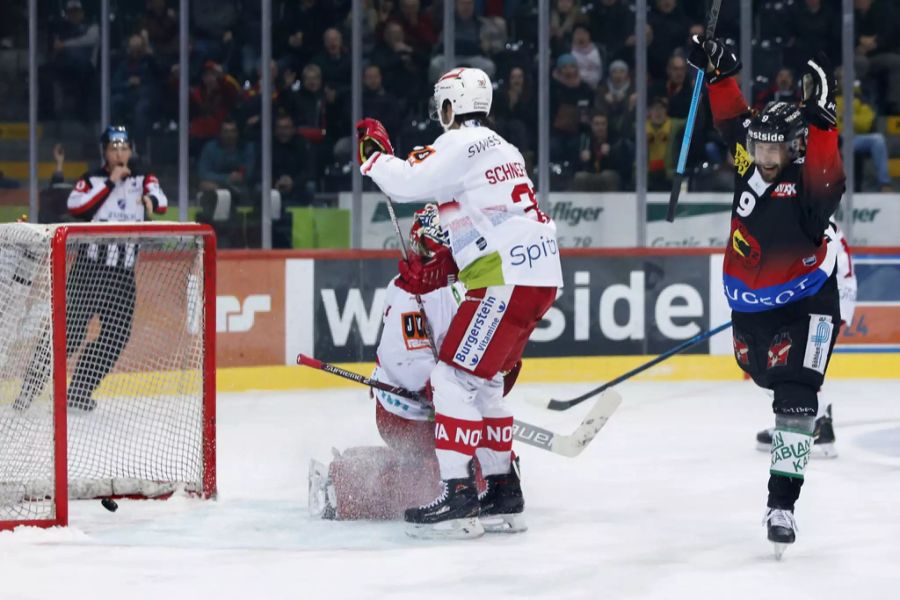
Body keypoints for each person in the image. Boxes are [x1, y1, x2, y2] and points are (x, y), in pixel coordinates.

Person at [356, 67, 563, 539]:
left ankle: (458, 495)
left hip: (503, 277)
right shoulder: (503, 148)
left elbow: (406, 183)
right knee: (485, 382)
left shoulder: (459, 144)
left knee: (450, 378)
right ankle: (503, 490)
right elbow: (450, 205)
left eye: (441, 105)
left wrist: (373, 160)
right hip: (539, 273)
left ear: (450, 105)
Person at [688, 37, 845, 556]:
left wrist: (823, 125)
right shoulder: (748, 162)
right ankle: (784, 482)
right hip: (752, 311)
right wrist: (719, 73)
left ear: (796, 147)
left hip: (810, 306)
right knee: (760, 373)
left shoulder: (807, 187)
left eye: (774, 149)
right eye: (760, 148)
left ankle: (782, 506)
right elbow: (735, 123)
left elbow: (829, 180)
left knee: (795, 401)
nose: (763, 156)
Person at [309, 205, 521, 524]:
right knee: (458, 471)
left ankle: (491, 482)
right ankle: (346, 483)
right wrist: (439, 390)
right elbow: (405, 360)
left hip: (431, 406)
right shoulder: (410, 294)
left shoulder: (455, 286)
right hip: (404, 413)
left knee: (476, 459)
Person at [14, 126, 168, 412]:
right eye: (114, 148)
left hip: (122, 275)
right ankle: (29, 389)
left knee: (116, 336)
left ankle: (79, 391)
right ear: (104, 153)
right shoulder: (92, 179)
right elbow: (77, 206)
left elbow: (161, 201)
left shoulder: (143, 179)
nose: (120, 153)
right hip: (88, 270)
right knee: (68, 334)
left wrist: (150, 201)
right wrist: (110, 182)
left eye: (124, 147)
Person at [755, 221, 856, 459]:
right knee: (796, 364)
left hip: (825, 300)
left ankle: (812, 424)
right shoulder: (811, 215)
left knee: (788, 364)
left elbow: (811, 268)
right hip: (832, 298)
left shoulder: (809, 221)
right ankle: (806, 422)